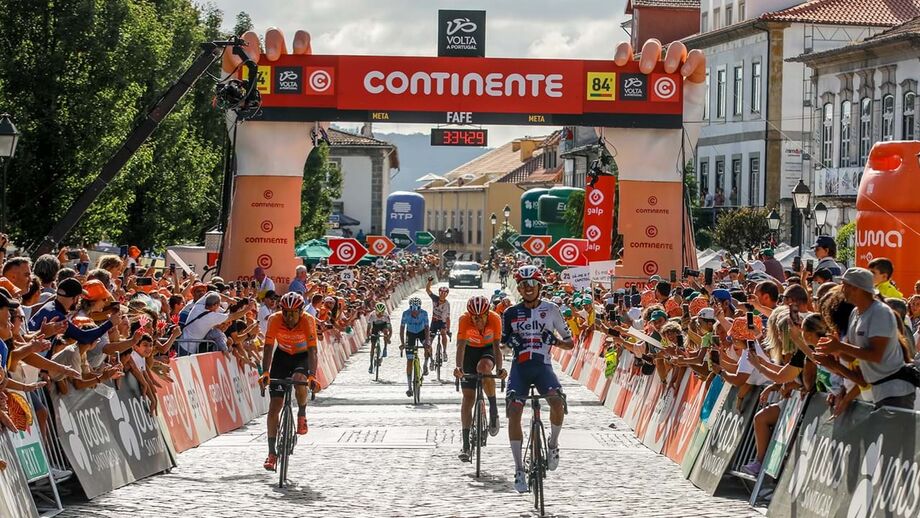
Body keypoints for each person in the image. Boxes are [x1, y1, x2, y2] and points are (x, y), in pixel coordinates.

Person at [501, 265, 574, 493]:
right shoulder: (510, 313)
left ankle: (553, 444)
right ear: (519, 288)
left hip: (543, 367)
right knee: (514, 411)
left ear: (540, 285)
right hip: (520, 368)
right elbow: (502, 347)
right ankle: (518, 469)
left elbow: (570, 343)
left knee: (557, 402)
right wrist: (508, 343)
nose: (528, 288)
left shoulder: (551, 309)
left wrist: (554, 341)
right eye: (523, 284)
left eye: (532, 283)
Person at [816, 268, 915, 410]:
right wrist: (832, 352)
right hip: (876, 392)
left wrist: (839, 347)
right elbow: (851, 357)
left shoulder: (880, 312)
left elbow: (876, 355)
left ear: (856, 288)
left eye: (845, 285)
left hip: (894, 391)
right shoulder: (855, 313)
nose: (841, 290)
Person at [258, 292, 320, 471]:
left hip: (302, 357)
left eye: (293, 313)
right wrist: (266, 372)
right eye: (286, 312)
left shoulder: (308, 320)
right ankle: (271, 453)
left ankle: (302, 413)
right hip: (282, 357)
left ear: (301, 312)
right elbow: (268, 347)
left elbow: (313, 351)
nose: (289, 317)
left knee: (299, 379)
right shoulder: (274, 319)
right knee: (274, 408)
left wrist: (312, 375)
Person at [454, 295, 506, 462]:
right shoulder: (464, 320)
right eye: (474, 318)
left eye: (481, 317)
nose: (478, 321)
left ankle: (493, 409)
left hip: (487, 349)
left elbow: (497, 347)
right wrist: (459, 368)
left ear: (487, 314)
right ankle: (465, 444)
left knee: (483, 369)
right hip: (469, 351)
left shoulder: (495, 319)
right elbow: (460, 346)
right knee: (468, 398)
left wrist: (499, 369)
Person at [400, 297, 430, 396]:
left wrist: (427, 342)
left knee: (428, 346)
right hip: (410, 334)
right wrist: (403, 343)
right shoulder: (405, 314)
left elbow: (427, 328)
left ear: (420, 308)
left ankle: (425, 364)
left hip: (421, 332)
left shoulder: (424, 314)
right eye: (413, 310)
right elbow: (402, 329)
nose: (415, 313)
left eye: (417, 310)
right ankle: (409, 387)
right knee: (409, 360)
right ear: (410, 308)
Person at [425, 278, 451, 371]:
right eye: (441, 293)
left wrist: (448, 329)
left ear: (446, 294)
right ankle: (431, 359)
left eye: (444, 293)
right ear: (439, 293)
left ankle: (444, 352)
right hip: (434, 323)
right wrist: (429, 281)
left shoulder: (447, 304)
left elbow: (447, 318)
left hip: (442, 323)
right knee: (429, 342)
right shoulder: (435, 298)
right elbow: (428, 290)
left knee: (443, 333)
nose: (442, 295)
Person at [366, 302, 391, 373]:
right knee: (372, 346)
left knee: (385, 331)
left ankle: (385, 348)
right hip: (375, 327)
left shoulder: (386, 315)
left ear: (384, 312)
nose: (379, 314)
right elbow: (369, 327)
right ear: (375, 311)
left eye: (381, 313)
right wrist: (368, 336)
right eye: (378, 313)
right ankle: (371, 364)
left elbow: (390, 328)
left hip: (383, 326)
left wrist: (388, 338)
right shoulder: (372, 315)